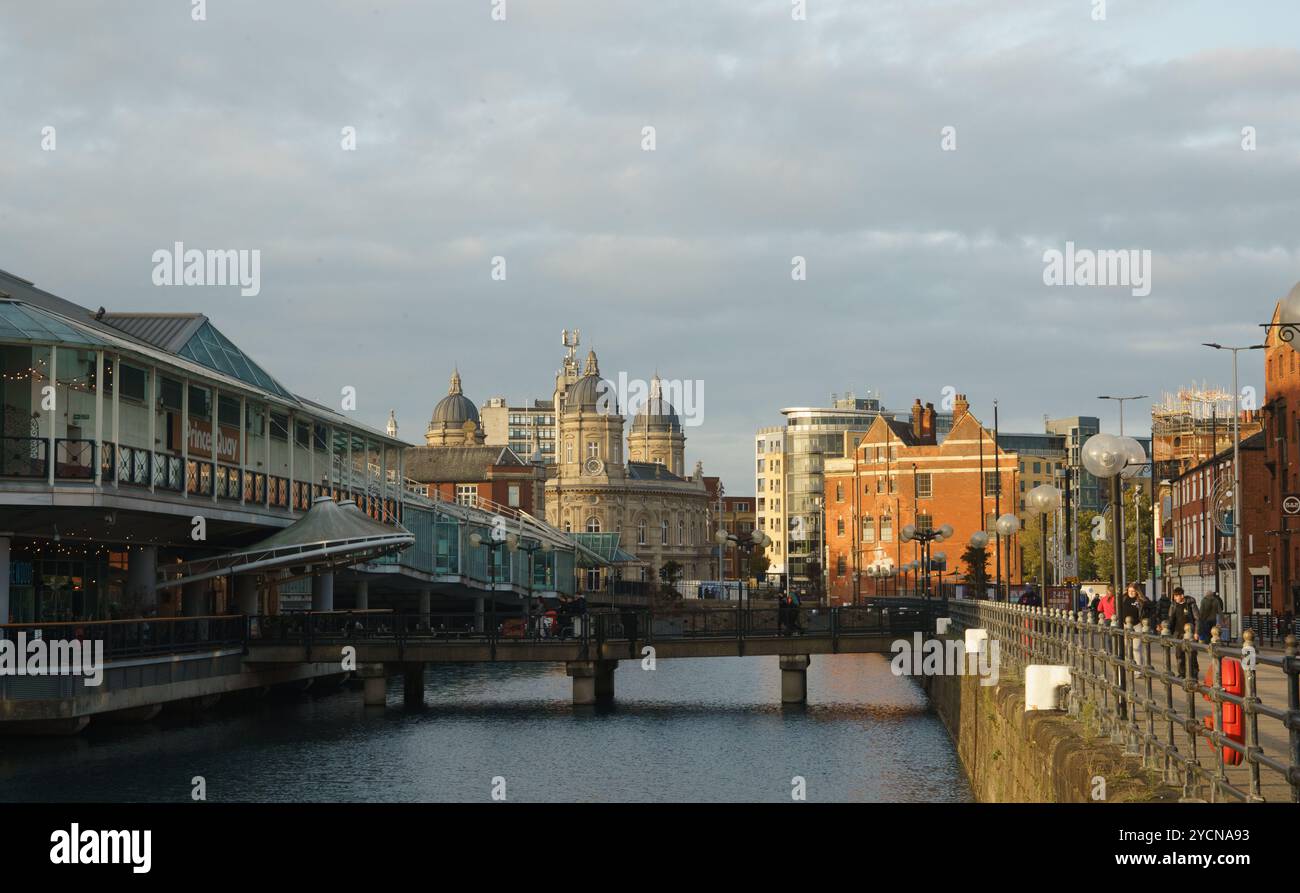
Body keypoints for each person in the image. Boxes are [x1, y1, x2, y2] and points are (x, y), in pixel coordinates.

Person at [1168, 587, 1199, 679]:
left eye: (1177, 596)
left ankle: (1194, 673)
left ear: (1182, 596)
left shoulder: (1190, 604)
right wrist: (1167, 630)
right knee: (1179, 655)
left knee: (1192, 654)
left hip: (1190, 633)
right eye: (1174, 596)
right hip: (1178, 633)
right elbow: (1170, 619)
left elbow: (1197, 619)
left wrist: (1196, 632)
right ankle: (1182, 673)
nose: (1175, 598)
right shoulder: (1173, 605)